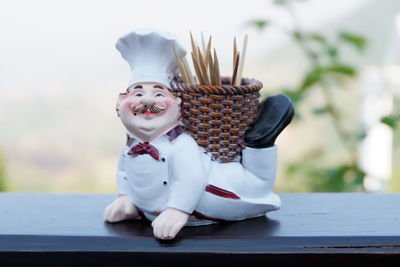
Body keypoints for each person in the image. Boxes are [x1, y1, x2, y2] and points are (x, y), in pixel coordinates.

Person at [103, 30, 294, 240]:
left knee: (256, 185)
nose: (148, 101)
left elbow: (190, 180)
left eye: (159, 94)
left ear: (178, 105)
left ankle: (260, 142)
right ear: (120, 104)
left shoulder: (182, 145)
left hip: (223, 189)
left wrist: (178, 209)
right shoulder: (130, 144)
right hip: (152, 209)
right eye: (138, 94)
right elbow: (124, 172)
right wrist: (126, 198)